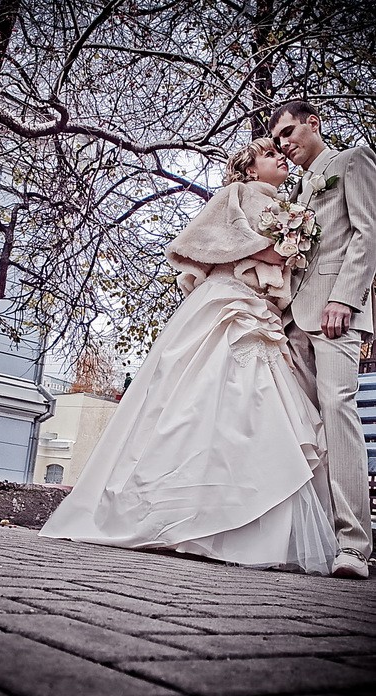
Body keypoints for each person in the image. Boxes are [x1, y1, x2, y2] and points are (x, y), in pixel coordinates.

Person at [39, 138, 337, 576]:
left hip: (261, 312)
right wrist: (266, 248)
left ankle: (240, 524)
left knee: (252, 410)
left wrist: (289, 244)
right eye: (270, 154)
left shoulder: (289, 206)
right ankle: (181, 516)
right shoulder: (234, 195)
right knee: (197, 403)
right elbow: (196, 241)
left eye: (281, 153)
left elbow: (283, 259)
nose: (281, 158)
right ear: (250, 169)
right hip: (225, 307)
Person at [269, 100, 376, 579]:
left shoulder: (352, 160)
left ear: (313, 123)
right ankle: (314, 538)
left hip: (336, 313)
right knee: (302, 424)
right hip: (293, 320)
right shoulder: (295, 190)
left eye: (289, 132)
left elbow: (368, 234)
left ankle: (354, 544)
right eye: (278, 140)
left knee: (338, 411)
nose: (284, 144)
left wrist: (345, 299)